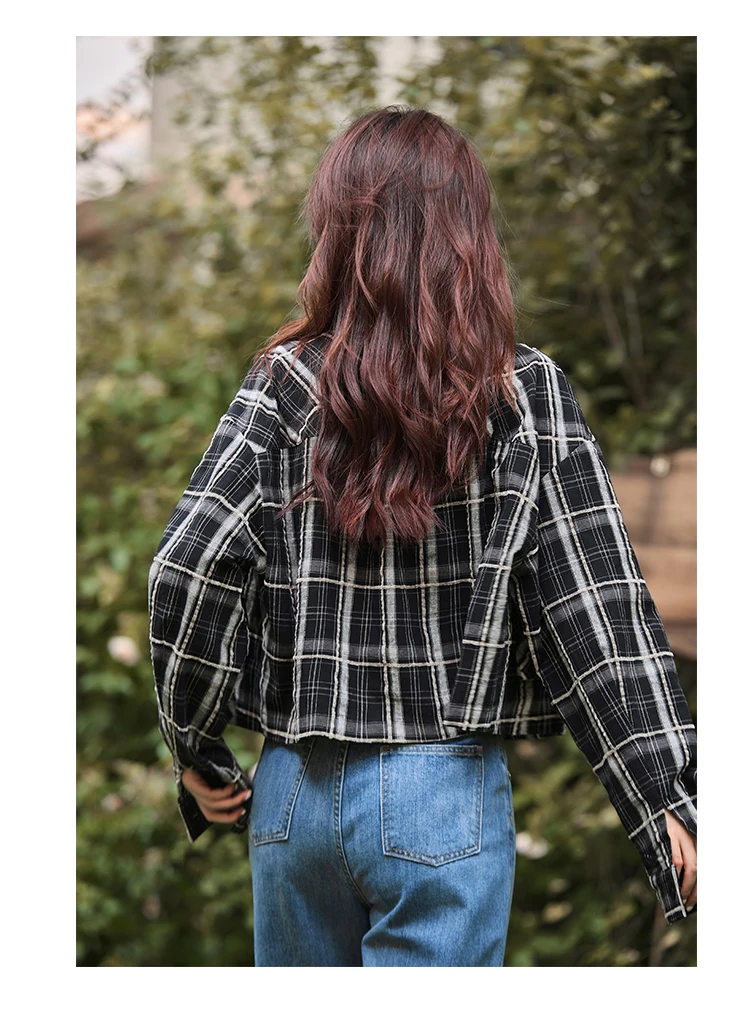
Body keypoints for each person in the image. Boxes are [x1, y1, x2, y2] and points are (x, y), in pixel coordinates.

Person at [147, 106, 697, 967]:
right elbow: (595, 612)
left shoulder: (280, 385)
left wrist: (196, 745)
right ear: (468, 234)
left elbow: (188, 567)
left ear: (337, 232)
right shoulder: (522, 393)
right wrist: (667, 794)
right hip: (442, 799)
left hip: (291, 797)